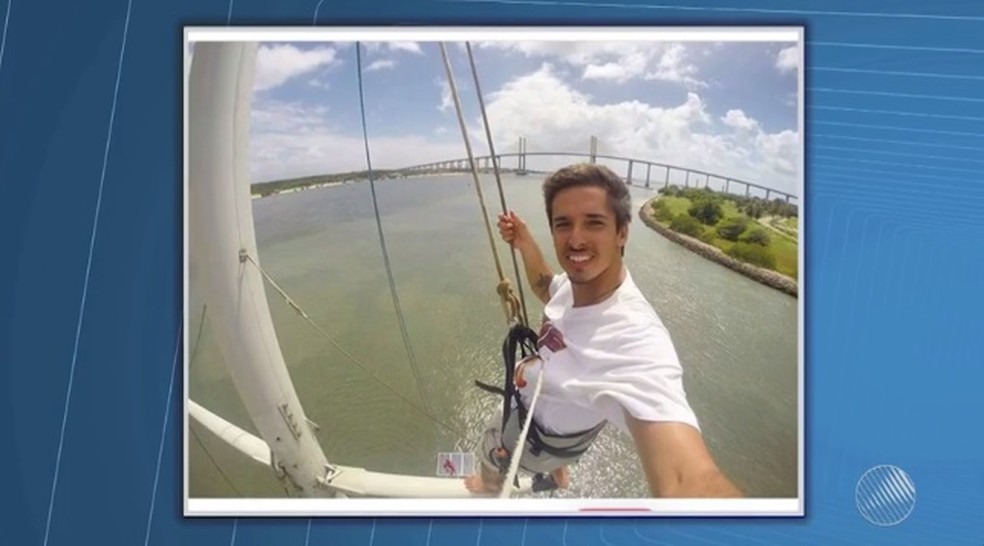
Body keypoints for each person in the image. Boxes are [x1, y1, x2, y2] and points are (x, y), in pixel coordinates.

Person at [465, 163, 742, 498]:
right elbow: (545, 287)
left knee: (489, 452)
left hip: (535, 434)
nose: (576, 239)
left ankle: (487, 488)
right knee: (563, 405)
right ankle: (559, 472)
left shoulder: (633, 339)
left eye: (594, 223)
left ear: (622, 231)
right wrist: (525, 243)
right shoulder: (578, 284)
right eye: (563, 224)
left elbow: (686, 479)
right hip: (566, 437)